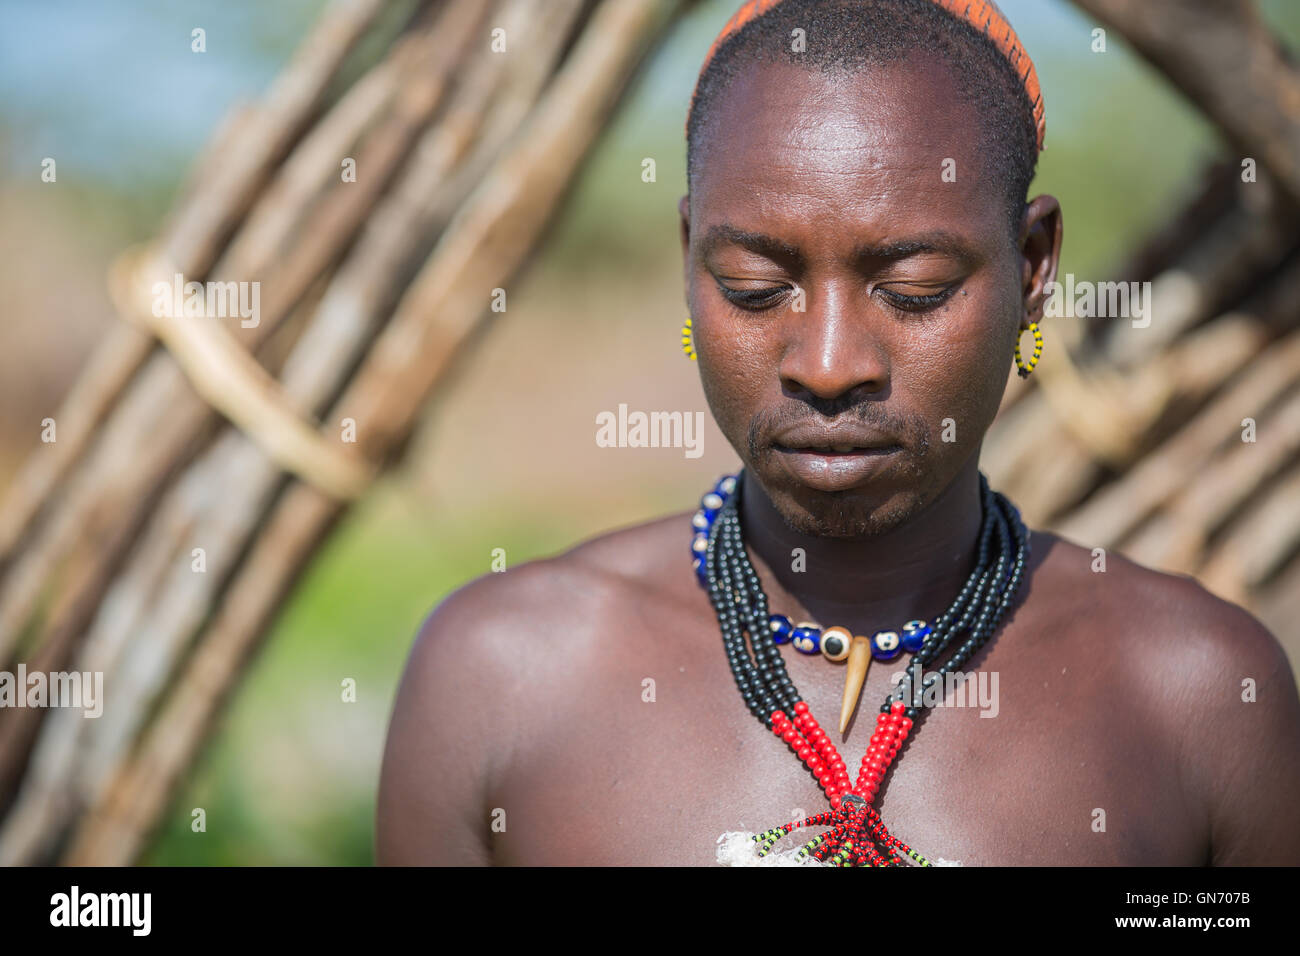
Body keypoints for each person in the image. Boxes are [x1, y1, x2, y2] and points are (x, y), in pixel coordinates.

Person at [375, 0, 1300, 865]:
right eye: (752, 285)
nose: (826, 364)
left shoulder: (1201, 697)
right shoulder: (499, 678)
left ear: (1033, 267)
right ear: (689, 260)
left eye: (914, 289)